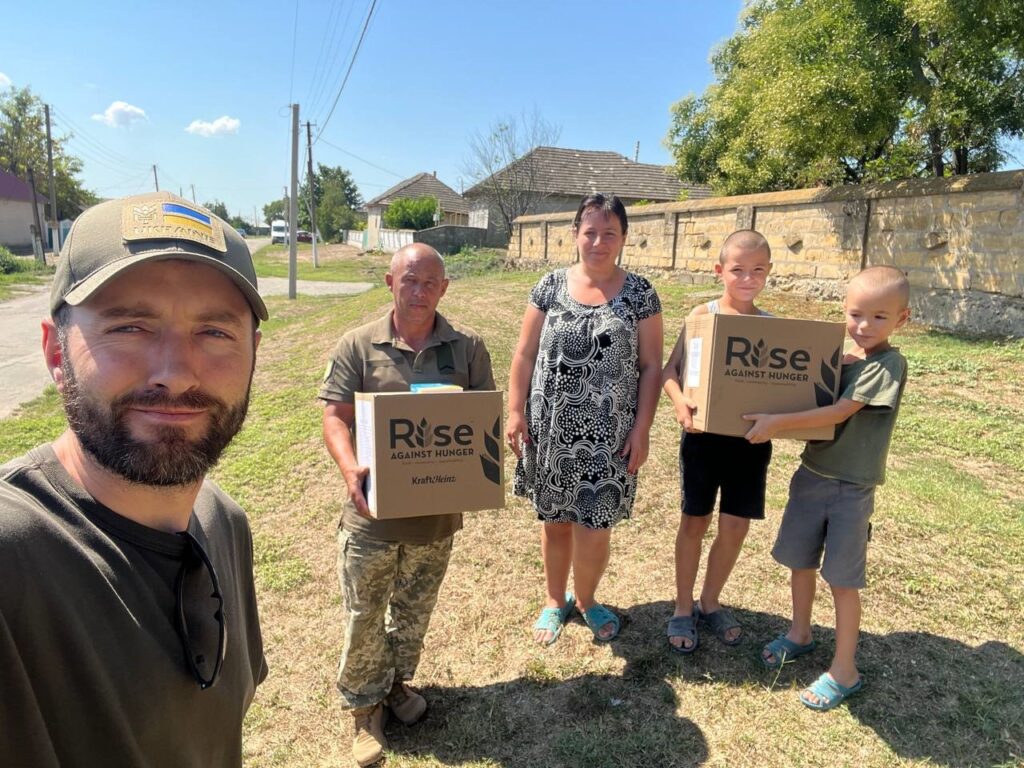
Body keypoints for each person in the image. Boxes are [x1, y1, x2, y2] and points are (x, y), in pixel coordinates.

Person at [0, 192, 269, 766]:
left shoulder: (223, 523)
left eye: (215, 332)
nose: (174, 373)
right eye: (130, 326)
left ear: (253, 353)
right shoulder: (11, 560)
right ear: (55, 352)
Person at [319, 243, 494, 767]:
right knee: (365, 614)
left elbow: (480, 420)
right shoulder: (358, 345)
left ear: (444, 288)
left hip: (436, 518)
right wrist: (351, 469)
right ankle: (364, 708)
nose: (419, 292)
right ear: (389, 283)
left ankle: (394, 685)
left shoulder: (468, 349)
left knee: (413, 615)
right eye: (409, 281)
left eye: (430, 282)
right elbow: (334, 419)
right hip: (372, 515)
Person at [743, 265, 910, 711]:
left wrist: (775, 423)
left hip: (851, 490)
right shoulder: (840, 358)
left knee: (841, 579)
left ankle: (844, 670)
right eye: (856, 314)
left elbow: (838, 413)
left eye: (879, 316)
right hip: (811, 475)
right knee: (799, 561)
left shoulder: (888, 364)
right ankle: (800, 632)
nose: (864, 325)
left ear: (902, 319)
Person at [507, 193, 663, 646]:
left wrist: (642, 429)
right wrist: (516, 411)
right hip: (552, 427)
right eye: (590, 231)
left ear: (624, 238)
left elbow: (651, 366)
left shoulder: (640, 294)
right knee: (555, 523)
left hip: (610, 434)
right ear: (575, 234)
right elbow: (524, 353)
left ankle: (589, 599)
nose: (598, 241)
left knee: (595, 528)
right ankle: (556, 601)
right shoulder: (549, 287)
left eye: (609, 233)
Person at [662, 230, 774, 654]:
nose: (748, 278)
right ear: (719, 271)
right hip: (703, 441)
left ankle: (711, 601)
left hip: (750, 444)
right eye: (738, 270)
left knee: (735, 526)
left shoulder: (772, 329)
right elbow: (670, 372)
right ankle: (683, 606)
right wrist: (680, 406)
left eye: (758, 270)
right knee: (694, 522)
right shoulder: (700, 316)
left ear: (768, 273)